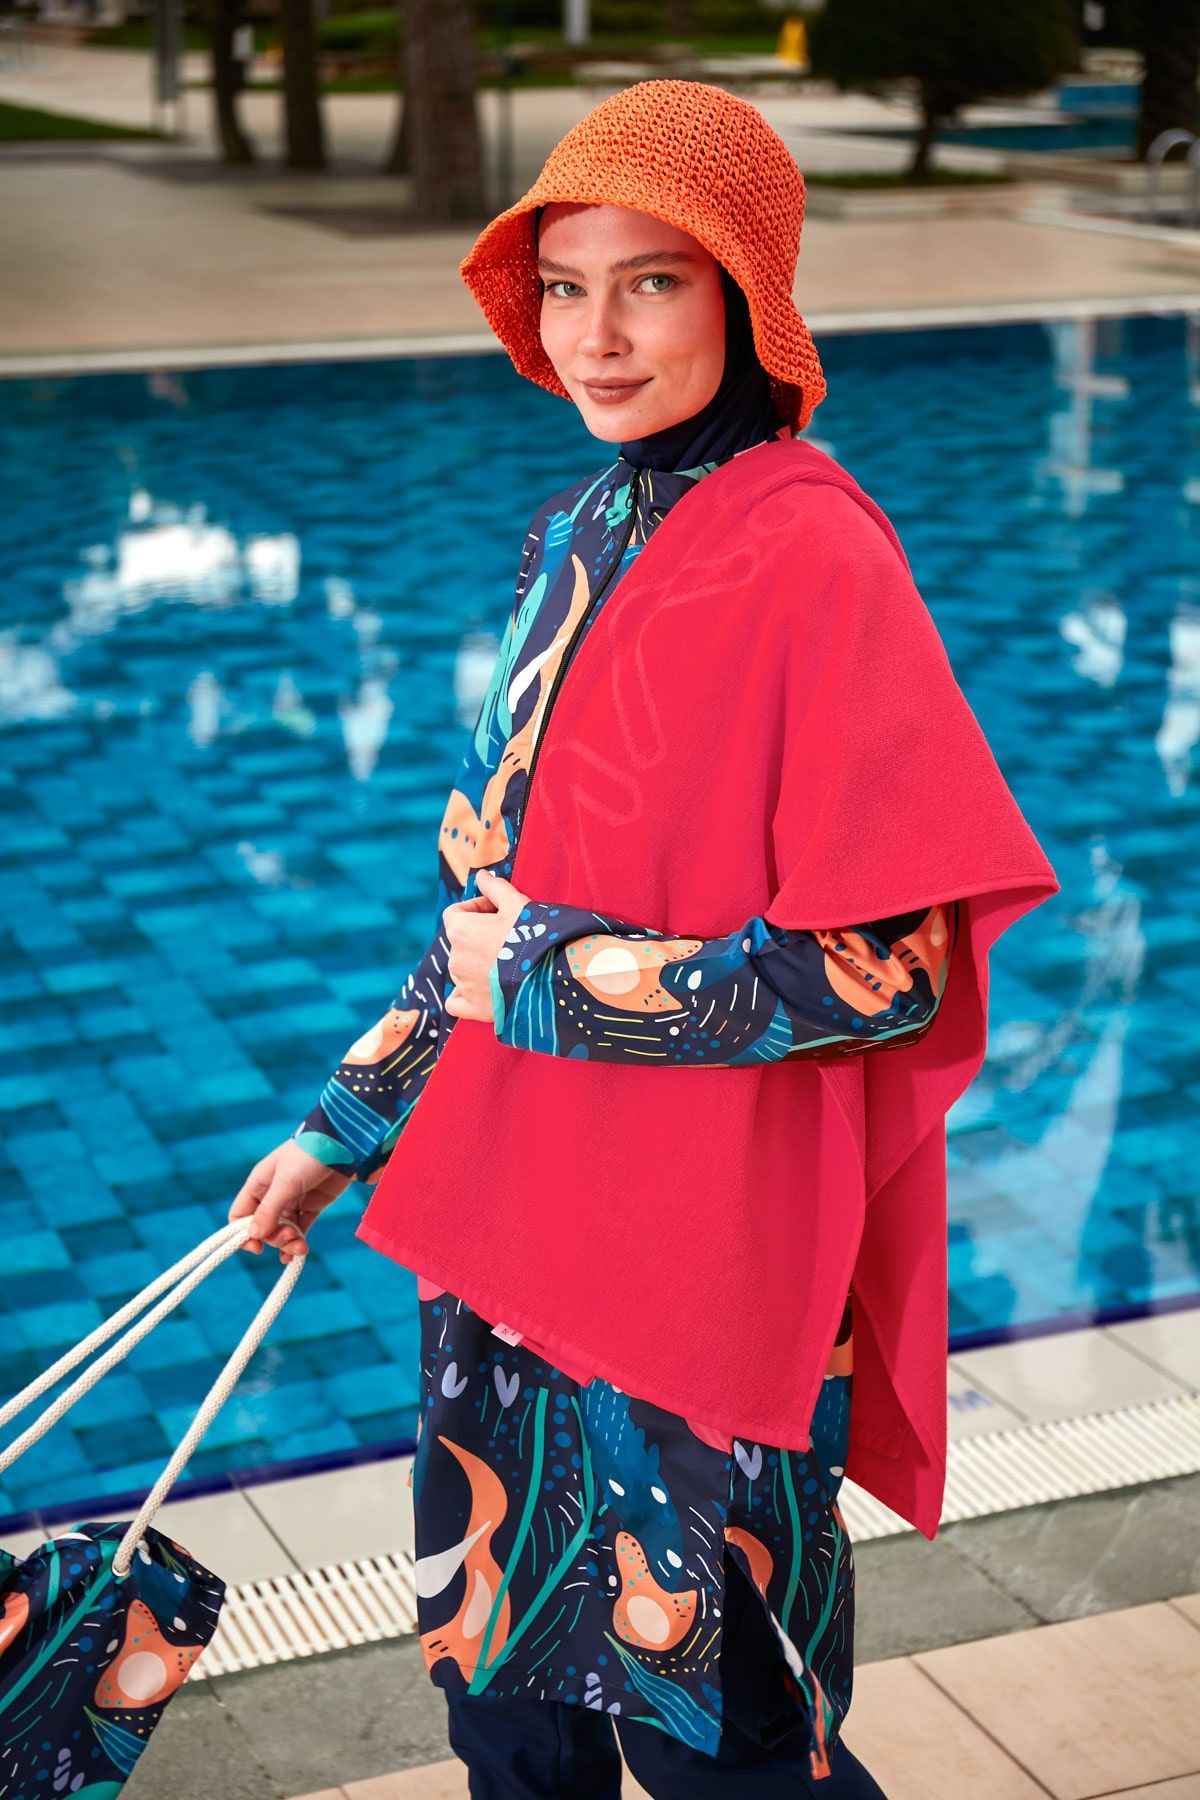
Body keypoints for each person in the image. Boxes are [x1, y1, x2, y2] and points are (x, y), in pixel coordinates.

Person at [229, 81, 1058, 1798]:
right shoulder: (572, 533)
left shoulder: (819, 559)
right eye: (563, 287)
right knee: (509, 1718)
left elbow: (882, 971)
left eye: (652, 284)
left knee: (729, 1751)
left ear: (744, 294)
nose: (594, 338)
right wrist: (342, 1127)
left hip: (700, 1268)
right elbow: (485, 904)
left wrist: (553, 977)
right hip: (502, 1236)